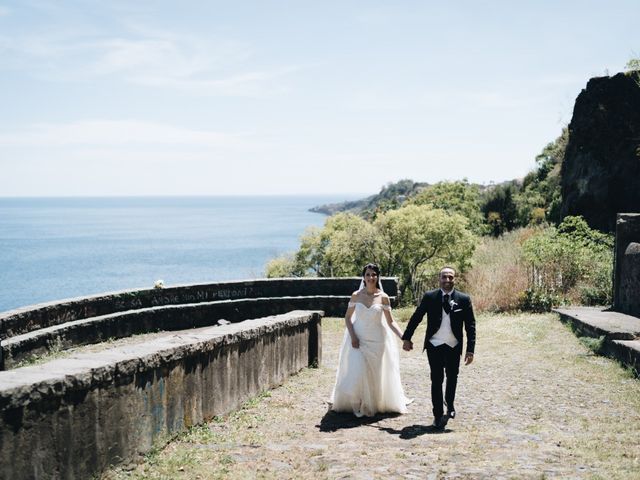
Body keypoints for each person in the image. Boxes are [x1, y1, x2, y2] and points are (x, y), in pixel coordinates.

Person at [330, 263, 410, 417]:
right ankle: (358, 402)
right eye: (368, 274)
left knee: (374, 373)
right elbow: (347, 318)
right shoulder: (356, 295)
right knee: (358, 370)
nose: (371, 277)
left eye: (373, 274)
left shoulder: (383, 297)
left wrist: (404, 338)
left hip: (377, 340)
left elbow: (391, 322)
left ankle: (372, 402)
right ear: (364, 277)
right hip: (358, 339)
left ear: (378, 277)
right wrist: (353, 336)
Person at [402, 266, 476, 430]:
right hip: (434, 345)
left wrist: (470, 349)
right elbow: (417, 317)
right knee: (436, 379)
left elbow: (470, 325)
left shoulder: (463, 299)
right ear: (439, 279)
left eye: (450, 277)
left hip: (453, 345)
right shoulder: (430, 297)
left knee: (452, 377)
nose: (447, 280)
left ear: (454, 279)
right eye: (444, 277)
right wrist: (407, 337)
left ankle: (449, 404)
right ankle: (437, 414)